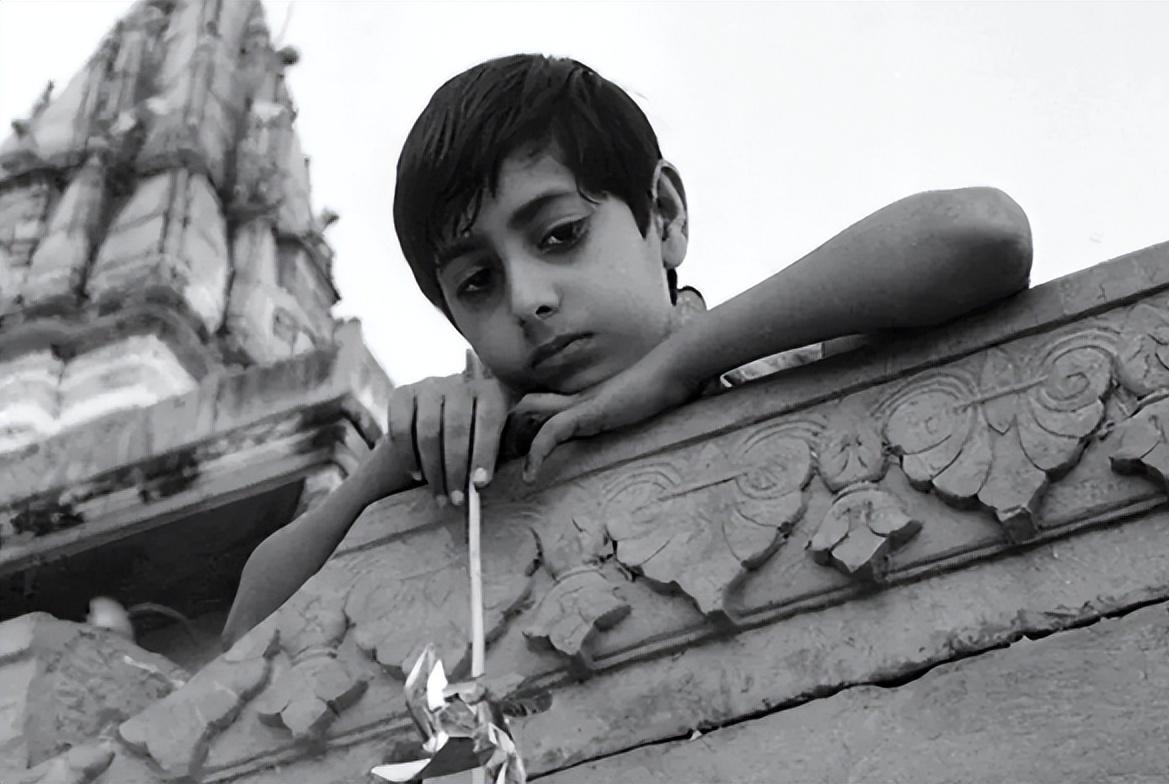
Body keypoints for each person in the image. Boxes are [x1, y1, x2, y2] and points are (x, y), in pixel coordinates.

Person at [222, 54, 1032, 648]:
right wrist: (392, 466)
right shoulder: (485, 477)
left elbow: (981, 234)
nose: (527, 299)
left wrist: (674, 369)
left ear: (664, 215)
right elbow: (244, 634)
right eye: (477, 283)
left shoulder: (783, 374)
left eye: (560, 235)